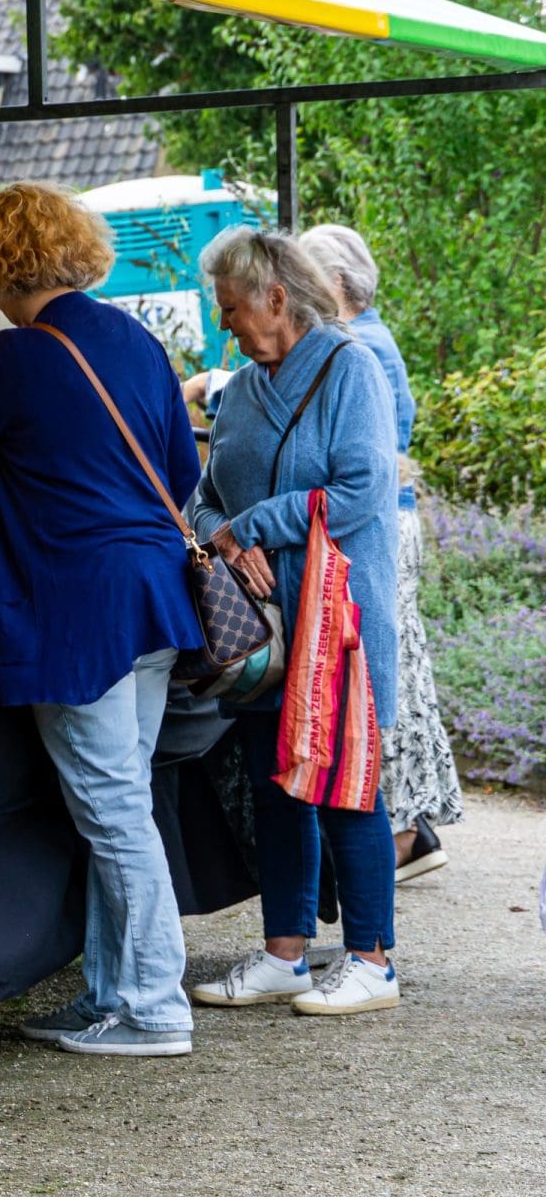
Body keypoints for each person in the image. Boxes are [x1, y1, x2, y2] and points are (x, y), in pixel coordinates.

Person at [0, 181, 203, 1058]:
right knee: (124, 802)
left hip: (74, 609)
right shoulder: (137, 341)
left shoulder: (11, 357)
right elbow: (183, 473)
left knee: (113, 812)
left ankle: (155, 1008)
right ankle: (108, 996)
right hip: (155, 600)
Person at [188, 226, 402, 1016]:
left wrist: (256, 525)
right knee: (274, 784)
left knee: (346, 785)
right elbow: (203, 496)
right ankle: (286, 954)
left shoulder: (353, 368)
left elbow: (362, 491)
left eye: (231, 307)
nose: (224, 324)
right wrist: (221, 532)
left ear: (276, 298)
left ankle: (372, 961)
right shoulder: (241, 390)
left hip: (336, 619)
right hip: (262, 632)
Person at [299, 223, 461, 880]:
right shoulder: (372, 337)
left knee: (380, 676)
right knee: (396, 674)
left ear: (335, 282)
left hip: (378, 526)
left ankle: (401, 833)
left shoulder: (359, 345)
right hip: (391, 521)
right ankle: (407, 827)